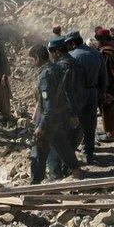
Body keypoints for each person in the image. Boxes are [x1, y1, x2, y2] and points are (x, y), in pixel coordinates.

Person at [28, 44, 82, 184]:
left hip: (49, 119)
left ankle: (35, 184)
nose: (31, 63)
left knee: (38, 151)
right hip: (60, 117)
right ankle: (76, 171)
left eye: (32, 60)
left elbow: (48, 106)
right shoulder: (58, 68)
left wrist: (41, 126)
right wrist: (73, 113)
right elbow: (69, 92)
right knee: (62, 145)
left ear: (38, 58)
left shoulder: (45, 75)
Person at [65, 30, 107, 164]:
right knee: (90, 124)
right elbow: (104, 77)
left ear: (72, 43)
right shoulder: (96, 54)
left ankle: (70, 155)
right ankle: (88, 154)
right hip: (92, 93)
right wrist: (101, 92)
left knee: (74, 124)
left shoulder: (71, 56)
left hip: (76, 95)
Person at [46, 36, 83, 179]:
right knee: (69, 140)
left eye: (52, 53)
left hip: (65, 110)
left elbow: (66, 91)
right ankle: (66, 168)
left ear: (56, 52)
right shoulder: (75, 62)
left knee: (56, 143)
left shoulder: (61, 67)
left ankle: (56, 174)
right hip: (76, 107)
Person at [95, 28, 114, 142]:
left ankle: (110, 134)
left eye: (99, 40)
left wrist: (104, 89)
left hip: (109, 87)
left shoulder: (106, 53)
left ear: (102, 40)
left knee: (107, 109)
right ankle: (111, 130)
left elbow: (106, 73)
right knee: (111, 109)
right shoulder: (113, 49)